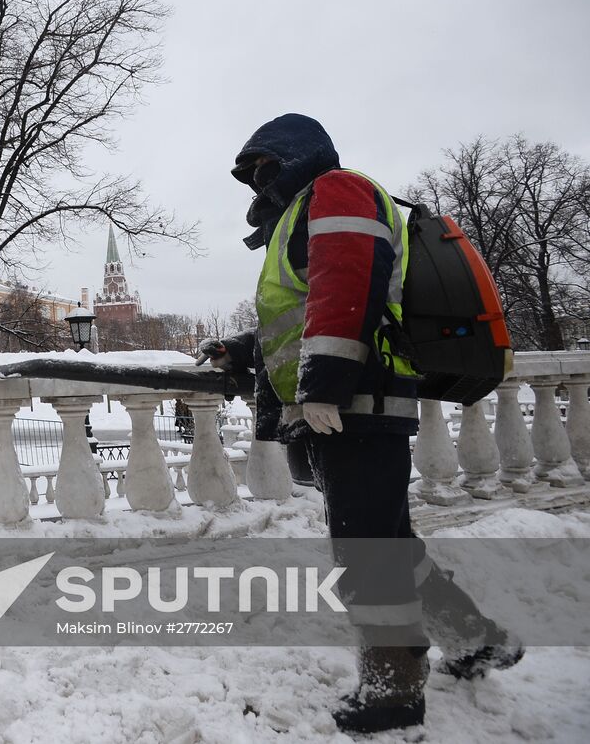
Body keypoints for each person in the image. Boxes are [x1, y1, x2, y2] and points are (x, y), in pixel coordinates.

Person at [200, 113, 521, 735]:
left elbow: (349, 287)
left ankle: (394, 689)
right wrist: (239, 351)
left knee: (367, 555)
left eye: (266, 166)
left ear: (297, 155)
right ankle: (476, 638)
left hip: (356, 405)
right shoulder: (299, 215)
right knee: (390, 545)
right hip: (350, 405)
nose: (260, 181)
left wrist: (325, 384)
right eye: (253, 173)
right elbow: (301, 312)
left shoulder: (337, 190)